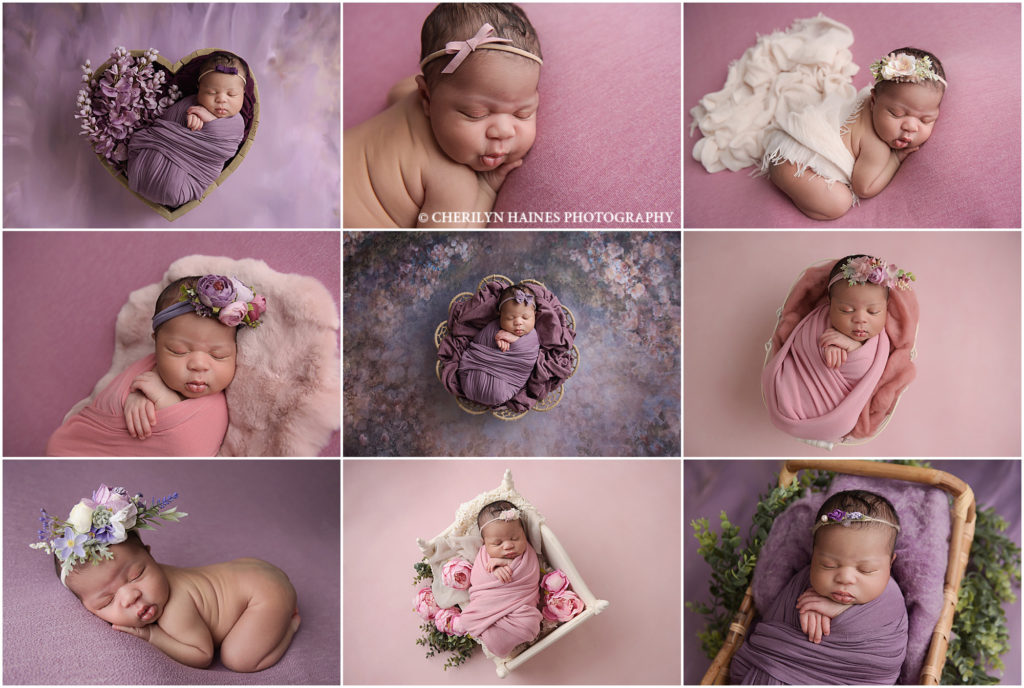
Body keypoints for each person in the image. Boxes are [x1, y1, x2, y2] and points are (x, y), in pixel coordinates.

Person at [31, 484, 300, 672]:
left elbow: (202, 654)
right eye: (107, 600)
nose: (130, 596)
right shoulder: (156, 580)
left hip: (262, 597)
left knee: (238, 658)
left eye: (137, 574)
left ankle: (288, 625)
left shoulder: (175, 609)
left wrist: (151, 636)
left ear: (150, 556)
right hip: (248, 570)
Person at [344, 3, 542, 227]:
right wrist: (486, 189)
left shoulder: (410, 96)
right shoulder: (454, 184)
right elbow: (444, 242)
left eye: (523, 113)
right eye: (475, 114)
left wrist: (442, 79)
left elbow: (395, 91)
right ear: (426, 98)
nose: (503, 131)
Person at [45, 275, 266, 456]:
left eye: (218, 355)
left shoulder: (220, 404)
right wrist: (136, 394)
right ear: (156, 344)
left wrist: (164, 401)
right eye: (179, 351)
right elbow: (113, 406)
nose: (199, 365)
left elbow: (188, 450)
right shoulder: (146, 369)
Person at [731, 490, 908, 684]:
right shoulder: (801, 583)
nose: (845, 578)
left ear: (889, 564)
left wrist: (841, 611)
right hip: (773, 670)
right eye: (828, 565)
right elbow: (771, 640)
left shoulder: (891, 596)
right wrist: (800, 611)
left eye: (865, 570)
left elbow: (883, 661)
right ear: (813, 555)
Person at [769, 48, 945, 220]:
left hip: (787, 147)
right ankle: (797, 194)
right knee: (838, 203)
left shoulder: (871, 97)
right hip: (795, 165)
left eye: (925, 120)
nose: (910, 127)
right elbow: (864, 188)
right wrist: (895, 159)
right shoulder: (877, 148)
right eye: (896, 114)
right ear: (874, 100)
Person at [127, 52, 247, 207]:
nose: (221, 99)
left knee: (171, 187)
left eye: (232, 94)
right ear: (199, 88)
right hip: (144, 167)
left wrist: (210, 120)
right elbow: (160, 131)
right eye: (211, 92)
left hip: (184, 183)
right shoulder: (186, 106)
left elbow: (223, 149)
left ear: (243, 93)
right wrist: (189, 119)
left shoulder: (236, 123)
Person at [453, 501, 542, 657]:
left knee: (529, 622)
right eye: (497, 543)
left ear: (524, 534)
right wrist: (494, 570)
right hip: (488, 604)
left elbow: (530, 574)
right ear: (485, 544)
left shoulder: (527, 555)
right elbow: (478, 578)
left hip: (519, 608)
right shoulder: (483, 557)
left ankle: (497, 635)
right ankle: (495, 636)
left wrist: (507, 564)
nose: (508, 546)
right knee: (467, 619)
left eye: (515, 538)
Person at [457, 284, 540, 406]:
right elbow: (476, 346)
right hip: (472, 376)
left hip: (504, 385)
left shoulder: (532, 336)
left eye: (525, 317)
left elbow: (528, 358)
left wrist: (515, 340)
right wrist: (495, 336)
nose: (518, 322)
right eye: (510, 318)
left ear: (535, 315)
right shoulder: (492, 327)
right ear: (500, 315)